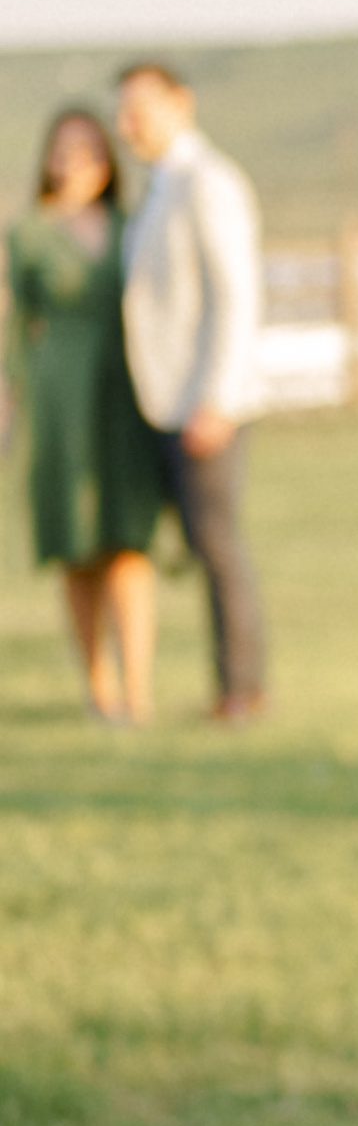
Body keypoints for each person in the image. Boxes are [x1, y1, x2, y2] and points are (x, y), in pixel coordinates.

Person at [113, 61, 268, 719]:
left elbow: (236, 295)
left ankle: (242, 689)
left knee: (217, 544)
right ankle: (227, 686)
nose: (128, 124)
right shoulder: (158, 188)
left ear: (181, 103)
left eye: (140, 108)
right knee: (201, 546)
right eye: (123, 111)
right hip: (167, 401)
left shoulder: (208, 182)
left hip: (205, 403)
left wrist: (218, 398)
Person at [3, 107, 165, 720]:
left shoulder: (132, 224)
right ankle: (98, 689)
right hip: (59, 396)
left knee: (128, 542)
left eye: (92, 150)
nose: (78, 162)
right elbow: (17, 326)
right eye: (66, 149)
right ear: (48, 157)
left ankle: (139, 690)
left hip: (123, 391)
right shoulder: (29, 233)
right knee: (76, 545)